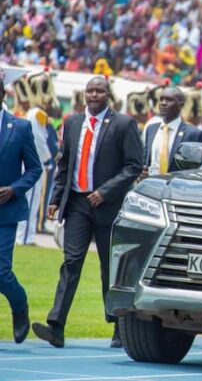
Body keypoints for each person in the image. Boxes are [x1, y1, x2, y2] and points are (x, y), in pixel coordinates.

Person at [32, 77, 143, 349]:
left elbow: (133, 166)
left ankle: (118, 327)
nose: (94, 95)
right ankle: (56, 326)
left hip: (108, 205)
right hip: (77, 204)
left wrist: (105, 191)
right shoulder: (72, 123)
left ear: (108, 95)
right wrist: (56, 198)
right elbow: (65, 164)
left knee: (109, 267)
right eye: (90, 91)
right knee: (71, 262)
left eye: (99, 91)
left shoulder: (123, 124)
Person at [0, 78, 42, 344]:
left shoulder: (21, 127)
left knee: (1, 272)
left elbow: (35, 168)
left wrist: (14, 189)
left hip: (5, 211)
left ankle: (19, 305)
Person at [141, 86, 202, 177]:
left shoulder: (193, 133)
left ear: (181, 105)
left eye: (169, 100)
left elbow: (195, 169)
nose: (163, 103)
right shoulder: (151, 129)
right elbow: (146, 161)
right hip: (152, 183)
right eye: (161, 99)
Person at [15, 106, 52, 246]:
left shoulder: (25, 112)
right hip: (34, 162)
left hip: (23, 160)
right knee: (31, 202)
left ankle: (22, 236)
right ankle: (25, 238)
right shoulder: (38, 114)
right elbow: (39, 140)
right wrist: (47, 159)